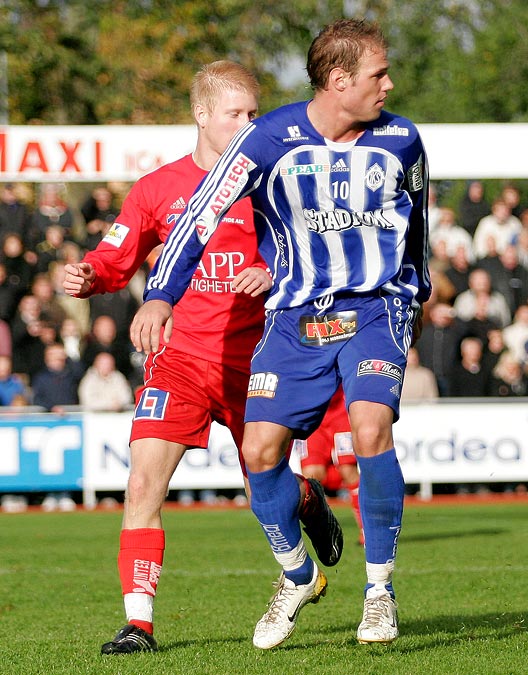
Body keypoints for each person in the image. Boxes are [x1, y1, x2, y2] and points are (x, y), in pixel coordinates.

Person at [129, 19, 430, 648]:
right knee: (262, 453)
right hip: (297, 317)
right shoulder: (268, 139)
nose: (389, 84)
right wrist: (160, 295)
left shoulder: (402, 139)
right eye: (378, 73)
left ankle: (380, 591)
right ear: (340, 80)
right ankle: (295, 574)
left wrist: (416, 295)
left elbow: (417, 226)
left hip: (375, 307)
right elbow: (200, 219)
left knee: (371, 426)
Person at [63, 60, 344, 655]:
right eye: (234, 114)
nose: (248, 124)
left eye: (254, 113)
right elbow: (119, 255)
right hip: (182, 359)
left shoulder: (275, 186)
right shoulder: (158, 188)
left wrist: (271, 271)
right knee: (143, 482)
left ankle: (306, 498)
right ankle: (138, 624)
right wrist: (90, 275)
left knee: (264, 489)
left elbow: (319, 256)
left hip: (260, 359)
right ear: (200, 115)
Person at [296, 388, 365, 545]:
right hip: (310, 412)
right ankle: (322, 531)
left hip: (340, 411)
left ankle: (366, 530)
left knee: (348, 470)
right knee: (312, 475)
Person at [31, 342, 83, 412]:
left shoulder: (71, 375)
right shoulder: (41, 377)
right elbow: (37, 399)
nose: (58, 357)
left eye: (60, 354)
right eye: (53, 354)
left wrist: (68, 357)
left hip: (71, 415)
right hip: (49, 417)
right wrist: (52, 408)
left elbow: (80, 371)